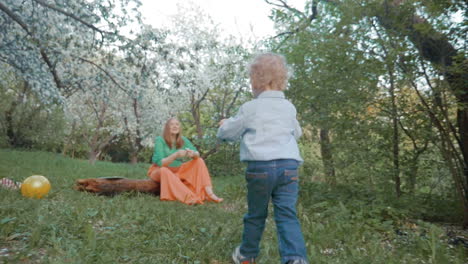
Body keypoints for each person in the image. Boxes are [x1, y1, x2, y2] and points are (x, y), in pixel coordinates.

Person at [217, 53, 308, 264]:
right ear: (281, 79)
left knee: (256, 215)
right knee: (287, 215)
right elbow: (298, 133)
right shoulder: (289, 107)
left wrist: (224, 125)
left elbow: (228, 133)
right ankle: (295, 259)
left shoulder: (250, 108)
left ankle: (247, 255)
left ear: (256, 80)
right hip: (288, 167)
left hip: (260, 168)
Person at [147, 117, 223, 205]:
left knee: (199, 161)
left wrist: (193, 154)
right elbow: (160, 162)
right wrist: (176, 155)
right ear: (167, 127)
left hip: (178, 171)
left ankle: (209, 193)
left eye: (177, 124)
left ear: (179, 127)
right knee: (164, 170)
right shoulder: (160, 140)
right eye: (172, 124)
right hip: (160, 171)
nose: (175, 126)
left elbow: (197, 153)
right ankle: (189, 197)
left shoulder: (183, 140)